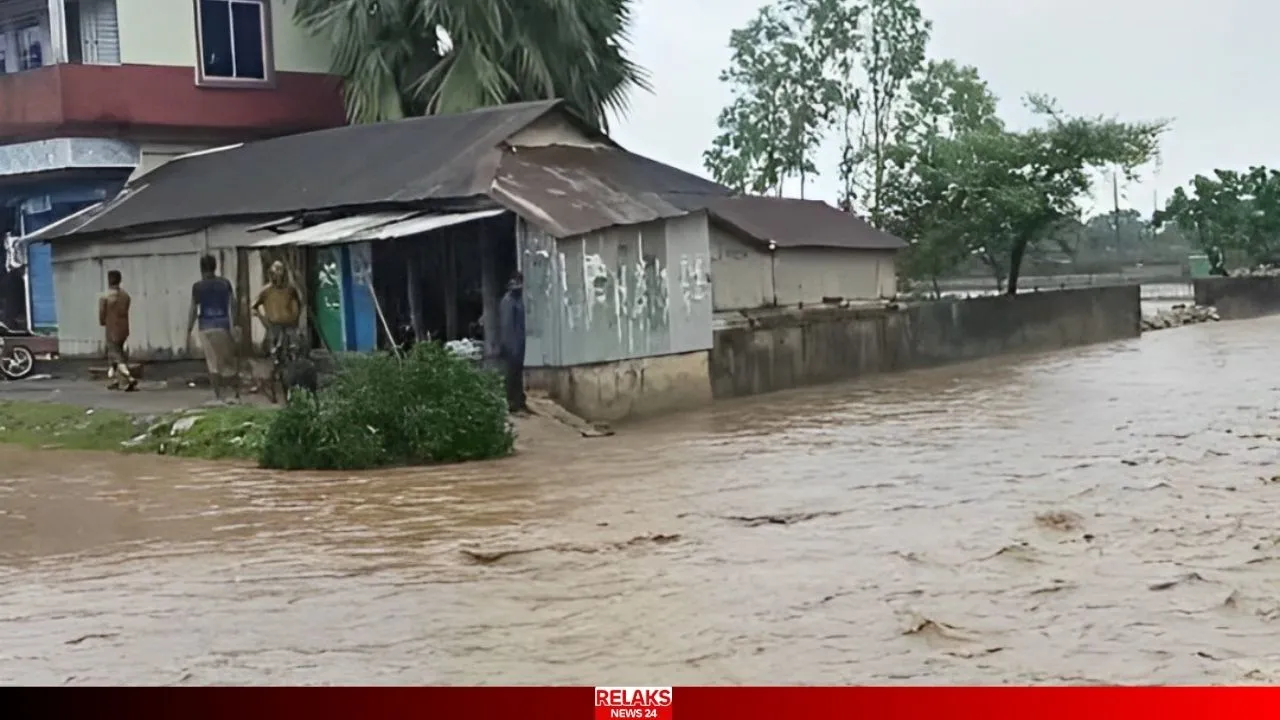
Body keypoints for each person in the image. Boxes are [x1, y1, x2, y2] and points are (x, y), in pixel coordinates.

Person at [187, 254, 240, 401]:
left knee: (212, 363)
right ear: (215, 266)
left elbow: (193, 310)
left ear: (201, 268)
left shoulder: (197, 287)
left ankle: (219, 396)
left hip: (205, 327)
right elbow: (233, 305)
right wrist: (235, 324)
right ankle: (234, 393)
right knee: (228, 361)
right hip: (223, 326)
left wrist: (188, 330)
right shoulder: (225, 283)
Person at [252, 260, 302, 358]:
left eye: (280, 272)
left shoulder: (291, 290)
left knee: (293, 351)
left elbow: (297, 307)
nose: (278, 276)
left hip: (290, 327)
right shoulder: (266, 291)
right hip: (273, 326)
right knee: (273, 353)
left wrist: (295, 321)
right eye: (275, 273)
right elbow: (254, 307)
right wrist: (263, 319)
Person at [99, 269, 137, 391]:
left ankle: (128, 376)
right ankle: (118, 381)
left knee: (116, 354)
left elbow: (102, 313)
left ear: (109, 280)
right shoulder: (125, 296)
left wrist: (102, 321)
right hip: (124, 328)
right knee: (117, 353)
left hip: (111, 328)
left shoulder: (105, 296)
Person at [498, 272, 527, 413]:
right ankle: (512, 403)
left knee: (517, 373)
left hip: (519, 343)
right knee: (511, 374)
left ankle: (519, 400)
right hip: (512, 344)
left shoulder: (518, 300)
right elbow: (507, 326)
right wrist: (511, 346)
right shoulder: (508, 301)